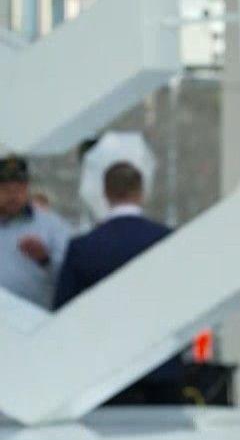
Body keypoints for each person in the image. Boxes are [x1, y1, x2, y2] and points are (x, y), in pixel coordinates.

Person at [54, 162, 185, 404]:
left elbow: (63, 311)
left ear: (106, 193)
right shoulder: (167, 240)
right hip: (160, 366)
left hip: (102, 371)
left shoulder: (83, 247)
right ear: (141, 192)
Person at [0, 154, 73, 310]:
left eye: (18, 189)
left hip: (36, 316)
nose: (12, 196)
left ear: (27, 188)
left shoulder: (52, 225)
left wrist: (44, 259)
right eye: (5, 189)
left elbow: (72, 275)